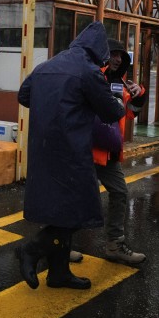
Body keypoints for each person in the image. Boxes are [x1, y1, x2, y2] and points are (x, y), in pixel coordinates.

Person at [15, 22, 124, 290]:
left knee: (59, 212)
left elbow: (24, 95)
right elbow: (111, 112)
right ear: (98, 49)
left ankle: (59, 273)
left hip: (42, 151)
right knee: (79, 211)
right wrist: (121, 103)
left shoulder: (46, 66)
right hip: (71, 151)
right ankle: (31, 248)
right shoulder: (88, 72)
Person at [70, 39, 147, 265]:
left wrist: (139, 93)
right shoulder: (94, 77)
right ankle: (59, 244)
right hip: (87, 150)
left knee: (120, 193)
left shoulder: (123, 85)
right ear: (104, 56)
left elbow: (131, 113)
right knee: (77, 199)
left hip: (110, 152)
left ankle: (115, 245)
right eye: (114, 54)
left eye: (121, 56)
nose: (118, 59)